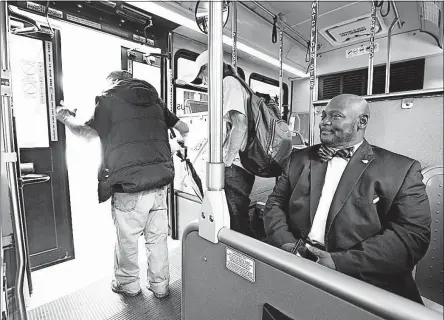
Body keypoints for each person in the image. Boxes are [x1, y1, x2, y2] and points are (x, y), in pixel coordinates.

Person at [263, 93, 431, 304]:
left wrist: (339, 263)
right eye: (323, 115)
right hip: (297, 262)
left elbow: (412, 236)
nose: (324, 122)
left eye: (335, 116)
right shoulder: (299, 159)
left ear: (361, 122)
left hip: (363, 279)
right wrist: (286, 243)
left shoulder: (400, 170)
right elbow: (274, 204)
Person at [55, 70, 189, 298]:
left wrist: (65, 117)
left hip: (129, 185)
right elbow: (184, 128)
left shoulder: (107, 99)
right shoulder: (154, 99)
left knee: (127, 239)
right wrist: (177, 143)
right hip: (159, 184)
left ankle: (128, 284)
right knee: (157, 238)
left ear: (113, 83)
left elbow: (87, 134)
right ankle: (160, 286)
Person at [184, 50, 255, 237]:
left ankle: (241, 259)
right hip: (241, 163)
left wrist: (228, 161)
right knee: (235, 215)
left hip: (236, 165)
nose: (204, 82)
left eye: (202, 75)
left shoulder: (229, 83)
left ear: (209, 68)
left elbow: (240, 124)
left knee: (235, 218)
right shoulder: (234, 83)